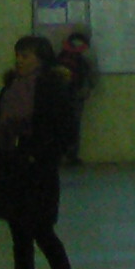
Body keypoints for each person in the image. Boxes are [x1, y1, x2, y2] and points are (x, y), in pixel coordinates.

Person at [0, 34, 81, 269]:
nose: (19, 60)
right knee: (19, 237)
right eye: (18, 55)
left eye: (25, 55)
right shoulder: (10, 87)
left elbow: (67, 131)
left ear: (41, 59)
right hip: (12, 170)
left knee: (43, 233)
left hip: (38, 173)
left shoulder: (52, 88)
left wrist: (40, 154)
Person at [57, 28, 97, 166]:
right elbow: (90, 75)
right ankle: (72, 155)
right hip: (77, 94)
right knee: (74, 124)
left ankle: (59, 153)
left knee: (59, 124)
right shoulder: (85, 55)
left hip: (60, 93)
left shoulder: (62, 53)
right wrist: (88, 89)